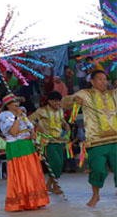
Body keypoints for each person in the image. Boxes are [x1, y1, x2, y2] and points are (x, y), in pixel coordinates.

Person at [63, 69, 117, 207]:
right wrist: (74, 99)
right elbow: (64, 102)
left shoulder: (114, 94)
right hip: (96, 141)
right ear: (91, 81)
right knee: (98, 169)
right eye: (100, 79)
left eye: (105, 79)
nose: (103, 82)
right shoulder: (85, 94)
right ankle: (96, 195)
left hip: (115, 140)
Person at [31, 91, 71, 195]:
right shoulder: (42, 111)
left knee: (60, 163)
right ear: (49, 101)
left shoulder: (60, 111)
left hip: (58, 140)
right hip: (47, 141)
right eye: (54, 101)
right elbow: (29, 119)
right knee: (55, 163)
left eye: (58, 101)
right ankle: (55, 185)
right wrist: (37, 126)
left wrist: (66, 125)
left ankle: (49, 185)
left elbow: (61, 122)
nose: (57, 103)